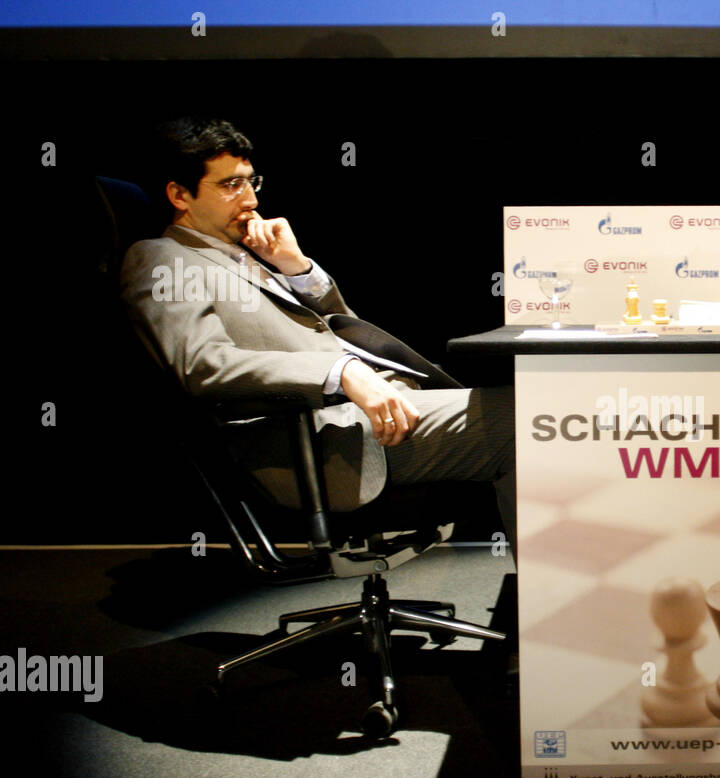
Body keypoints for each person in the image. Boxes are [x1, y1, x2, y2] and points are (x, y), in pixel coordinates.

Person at [121, 117, 515, 548]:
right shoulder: (163, 258)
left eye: (252, 182)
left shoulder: (243, 253)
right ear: (179, 195)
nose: (250, 199)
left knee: (543, 414)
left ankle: (552, 594)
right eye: (230, 185)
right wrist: (339, 371)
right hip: (316, 441)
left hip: (374, 408)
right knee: (530, 418)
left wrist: (297, 267)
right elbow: (202, 364)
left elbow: (342, 329)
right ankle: (556, 602)